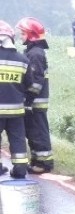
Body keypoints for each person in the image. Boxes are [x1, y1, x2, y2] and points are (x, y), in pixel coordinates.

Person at [16, 17, 53, 174]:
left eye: (22, 33)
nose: (20, 36)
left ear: (31, 35)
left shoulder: (35, 54)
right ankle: (38, 161)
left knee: (38, 132)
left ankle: (43, 164)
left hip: (35, 102)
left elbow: (35, 82)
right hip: (35, 102)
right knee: (34, 132)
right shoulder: (34, 52)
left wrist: (27, 100)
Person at [0, 20, 31, 179]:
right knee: (18, 140)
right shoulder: (23, 60)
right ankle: (20, 169)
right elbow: (29, 85)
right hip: (16, 111)